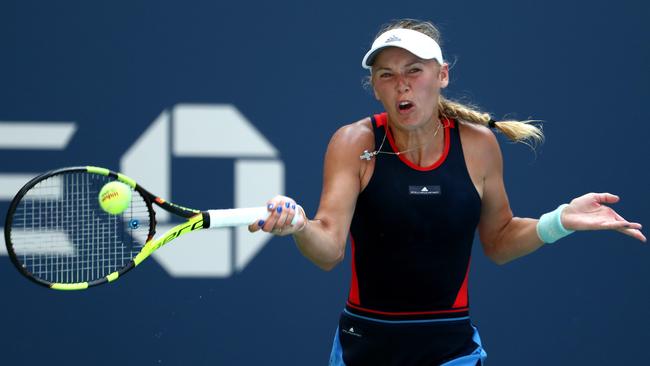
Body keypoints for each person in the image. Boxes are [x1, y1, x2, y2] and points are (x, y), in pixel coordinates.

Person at [249, 19, 646, 366]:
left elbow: (499, 239)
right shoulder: (354, 142)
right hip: (363, 350)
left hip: (451, 351)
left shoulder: (478, 145)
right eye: (386, 74)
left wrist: (558, 222)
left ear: (442, 75)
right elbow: (328, 249)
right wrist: (300, 226)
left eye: (414, 70)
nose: (401, 84)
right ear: (374, 87)